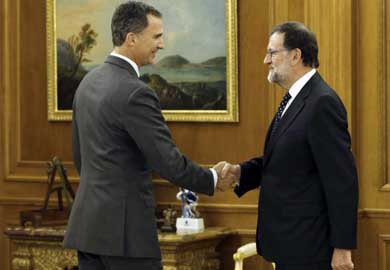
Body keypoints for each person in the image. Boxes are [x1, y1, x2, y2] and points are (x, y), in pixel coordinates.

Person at [63, 2, 229, 269]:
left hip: (88, 229)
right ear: (132, 39)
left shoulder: (88, 82)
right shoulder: (135, 92)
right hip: (125, 235)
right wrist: (212, 178)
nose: (162, 44)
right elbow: (168, 162)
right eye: (157, 36)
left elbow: (80, 157)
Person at [217, 22, 358, 270]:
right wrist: (240, 172)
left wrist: (342, 248)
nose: (265, 60)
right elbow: (284, 161)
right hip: (291, 244)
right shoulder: (295, 98)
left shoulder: (322, 102)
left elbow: (341, 180)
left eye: (272, 52)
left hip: (311, 248)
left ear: (295, 56)